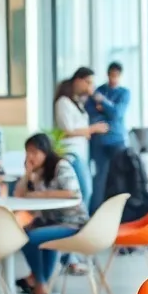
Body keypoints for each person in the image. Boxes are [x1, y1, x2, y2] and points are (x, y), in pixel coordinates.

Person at [13, 134, 90, 294]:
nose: (30, 157)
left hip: (73, 223)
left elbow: (72, 192)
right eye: (27, 152)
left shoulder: (60, 166)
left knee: (27, 238)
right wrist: (27, 173)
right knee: (26, 233)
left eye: (34, 152)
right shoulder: (36, 172)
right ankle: (41, 283)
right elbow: (19, 195)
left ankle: (39, 283)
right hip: (52, 222)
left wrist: (42, 194)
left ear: (45, 152)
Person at [54, 68, 108, 211]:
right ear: (78, 80)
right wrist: (92, 129)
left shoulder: (77, 102)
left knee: (85, 191)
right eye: (88, 82)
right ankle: (79, 224)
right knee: (84, 190)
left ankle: (81, 224)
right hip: (72, 152)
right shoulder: (63, 102)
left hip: (81, 152)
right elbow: (67, 130)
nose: (90, 87)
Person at [87, 61, 131, 211]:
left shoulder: (124, 93)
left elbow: (117, 114)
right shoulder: (98, 90)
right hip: (99, 140)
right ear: (108, 75)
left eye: (116, 76)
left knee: (119, 176)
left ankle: (121, 211)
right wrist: (108, 108)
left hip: (117, 140)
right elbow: (91, 113)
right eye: (111, 75)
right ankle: (95, 212)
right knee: (100, 177)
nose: (114, 79)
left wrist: (103, 104)